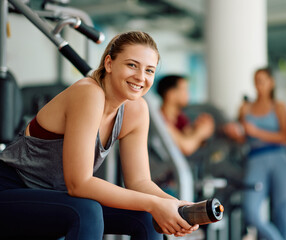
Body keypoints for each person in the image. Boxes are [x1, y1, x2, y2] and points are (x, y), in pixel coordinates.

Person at [0, 31, 199, 239]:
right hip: (11, 190)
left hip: (57, 197)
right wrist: (155, 204)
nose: (141, 77)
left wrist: (173, 204)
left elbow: (139, 182)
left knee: (146, 216)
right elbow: (79, 184)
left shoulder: (137, 110)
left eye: (149, 70)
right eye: (132, 65)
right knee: (87, 211)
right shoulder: (89, 92)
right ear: (109, 64)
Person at [224, 68, 286, 240]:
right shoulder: (245, 108)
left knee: (282, 210)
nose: (258, 85)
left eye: (262, 81)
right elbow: (242, 139)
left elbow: (285, 138)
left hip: (280, 158)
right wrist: (234, 133)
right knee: (250, 210)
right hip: (255, 158)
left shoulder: (279, 107)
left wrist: (256, 132)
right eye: (256, 81)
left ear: (272, 83)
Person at [156, 75, 215, 156]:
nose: (188, 94)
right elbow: (186, 147)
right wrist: (200, 132)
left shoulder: (180, 118)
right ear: (171, 94)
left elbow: (188, 136)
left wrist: (197, 128)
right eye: (184, 90)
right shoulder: (159, 119)